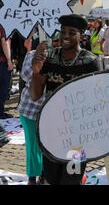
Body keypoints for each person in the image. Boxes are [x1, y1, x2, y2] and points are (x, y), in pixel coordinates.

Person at [30, 14, 101, 185]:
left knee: (71, 179)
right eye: (63, 32)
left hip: (78, 138)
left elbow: (98, 100)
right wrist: (36, 71)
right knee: (51, 179)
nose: (66, 36)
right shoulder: (50, 57)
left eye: (72, 32)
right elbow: (35, 95)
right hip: (51, 133)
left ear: (82, 35)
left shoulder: (91, 62)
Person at [17, 34, 59, 184]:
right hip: (30, 111)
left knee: (47, 147)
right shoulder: (31, 55)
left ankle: (44, 174)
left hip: (50, 112)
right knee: (33, 145)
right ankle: (32, 178)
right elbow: (25, 76)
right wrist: (38, 65)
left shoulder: (59, 58)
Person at [0, 24, 14, 119]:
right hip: (2, 62)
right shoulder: (3, 26)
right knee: (3, 89)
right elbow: (4, 43)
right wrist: (9, 60)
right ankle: (0, 113)